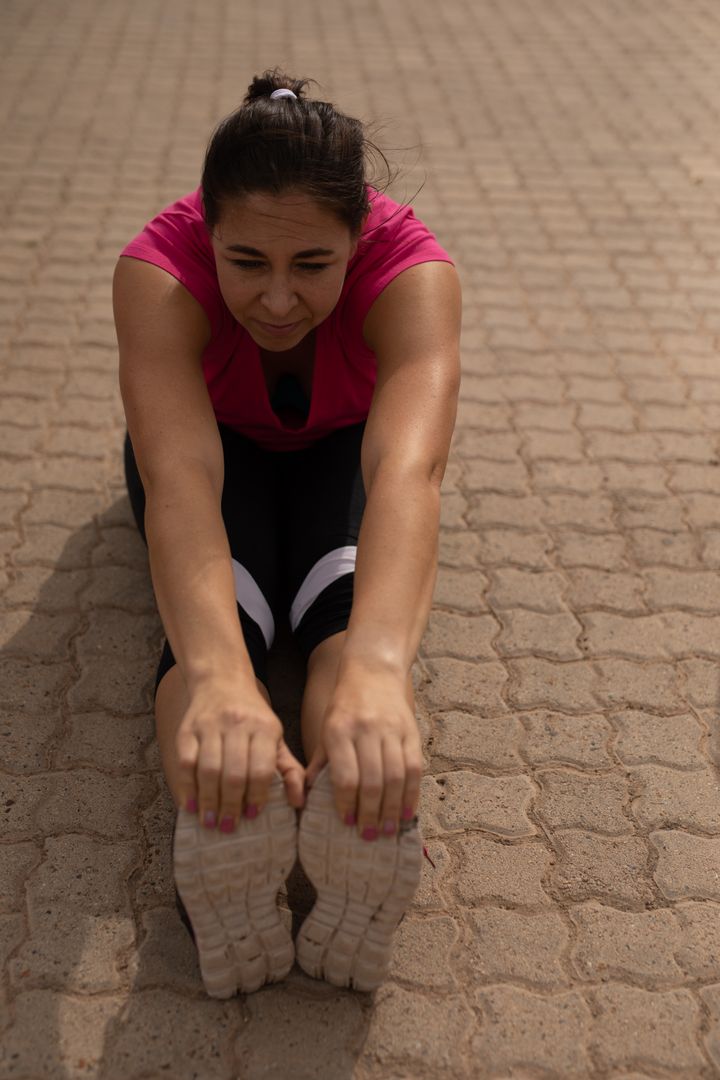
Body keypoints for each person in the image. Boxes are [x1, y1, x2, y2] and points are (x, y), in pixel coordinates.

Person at [113, 69, 461, 998]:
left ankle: (353, 775)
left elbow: (406, 473)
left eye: (312, 265)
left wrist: (386, 672)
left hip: (335, 452)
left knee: (342, 630)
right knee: (220, 634)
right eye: (247, 264)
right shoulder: (157, 269)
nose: (275, 300)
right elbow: (179, 476)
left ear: (361, 237)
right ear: (206, 231)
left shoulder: (414, 272)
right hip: (208, 445)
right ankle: (224, 784)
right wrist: (224, 676)